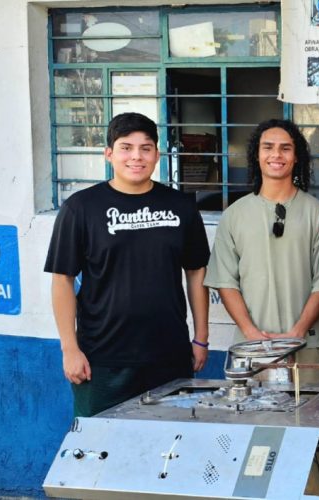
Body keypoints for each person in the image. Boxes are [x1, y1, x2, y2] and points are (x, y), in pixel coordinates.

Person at [45, 112, 210, 418]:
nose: (136, 156)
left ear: (157, 155)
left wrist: (201, 337)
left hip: (169, 356)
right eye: (126, 147)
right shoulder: (80, 208)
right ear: (109, 154)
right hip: (103, 360)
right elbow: (62, 280)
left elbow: (196, 271)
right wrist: (70, 348)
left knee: (171, 450)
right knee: (101, 452)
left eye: (146, 148)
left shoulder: (181, 206)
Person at [204, 119, 319, 382]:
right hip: (249, 349)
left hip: (305, 346)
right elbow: (225, 282)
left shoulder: (317, 213)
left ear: (296, 158)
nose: (276, 155)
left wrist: (298, 332)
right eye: (268, 147)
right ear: (256, 155)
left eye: (285, 148)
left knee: (307, 417)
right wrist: (251, 333)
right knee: (249, 419)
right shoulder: (234, 215)